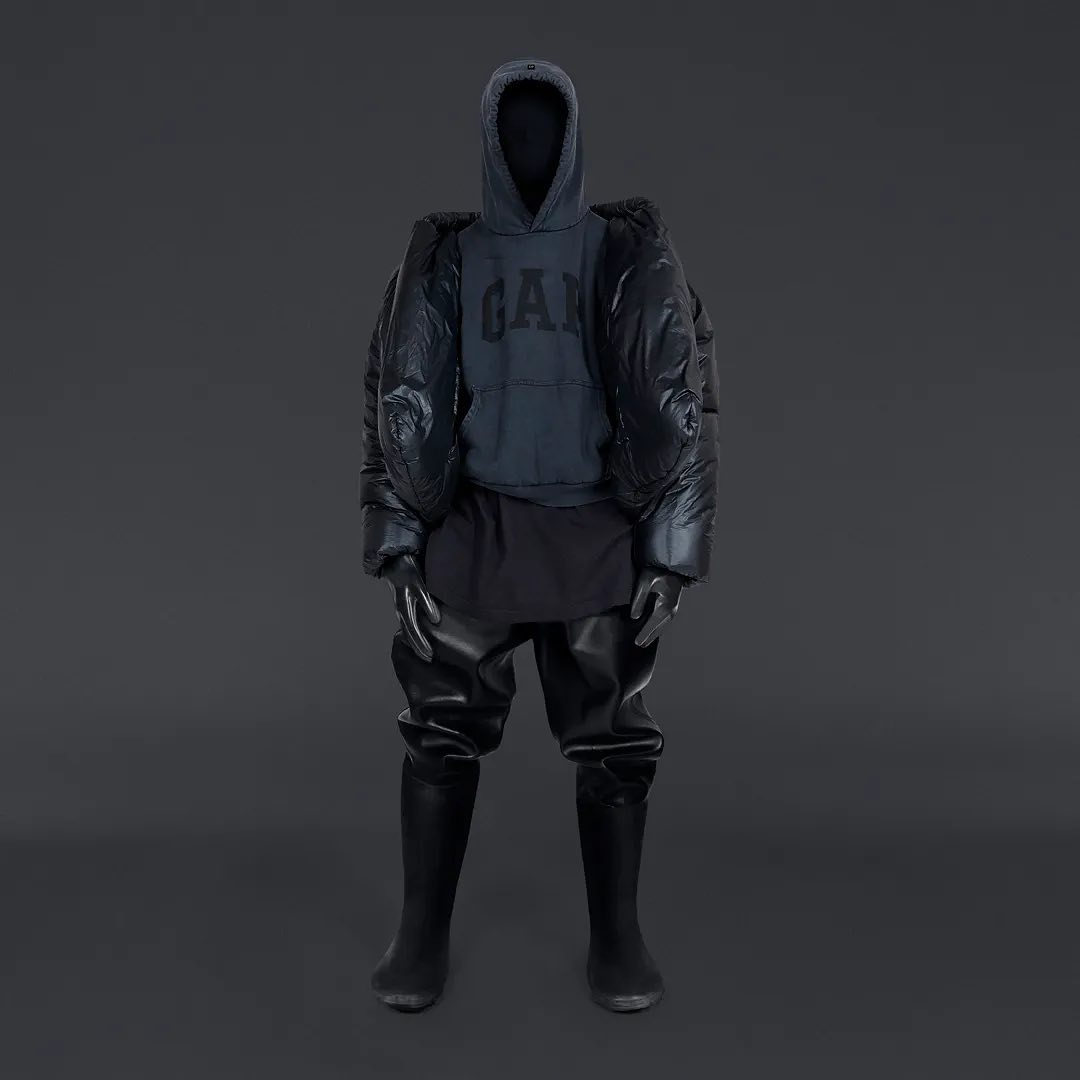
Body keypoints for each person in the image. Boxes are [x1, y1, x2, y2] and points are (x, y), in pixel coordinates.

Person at [360, 57, 719, 1012]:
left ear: (572, 141)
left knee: (615, 743)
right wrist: (398, 539)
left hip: (596, 527)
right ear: (488, 141)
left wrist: (671, 551)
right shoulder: (445, 257)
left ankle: (618, 937)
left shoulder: (625, 254)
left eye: (544, 130)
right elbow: (392, 397)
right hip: (475, 524)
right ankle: (420, 933)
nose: (529, 147)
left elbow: (686, 398)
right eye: (512, 130)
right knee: (438, 733)